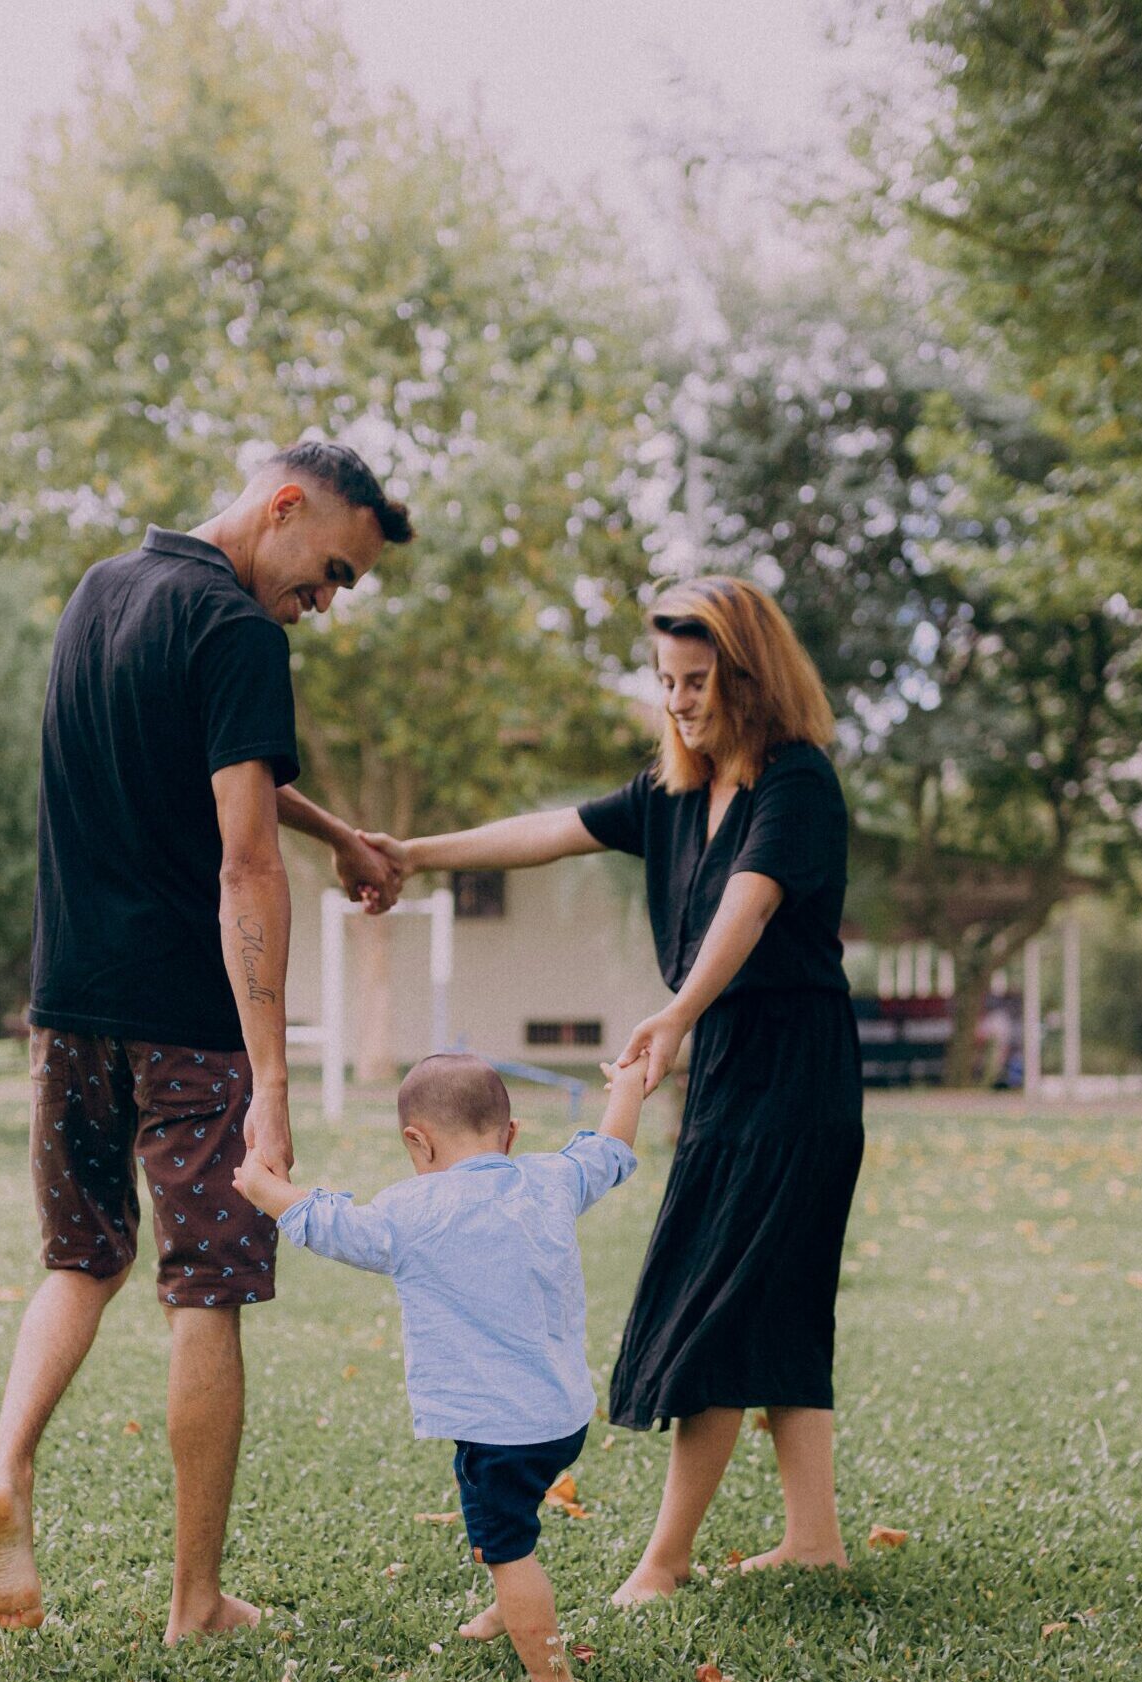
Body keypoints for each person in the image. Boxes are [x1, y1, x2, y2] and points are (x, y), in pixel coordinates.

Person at [0, 442, 413, 1642]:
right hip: (184, 1021)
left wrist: (339, 834)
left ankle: (5, 1465)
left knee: (82, 1260)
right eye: (326, 573)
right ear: (281, 507)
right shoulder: (236, 631)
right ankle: (194, 1602)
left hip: (66, 1003)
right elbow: (241, 857)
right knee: (203, 1291)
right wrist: (270, 1077)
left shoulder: (100, 592)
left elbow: (220, 776)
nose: (318, 605)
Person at [366, 576, 863, 1603]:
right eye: (665, 681)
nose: (678, 701)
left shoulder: (794, 783)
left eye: (697, 680)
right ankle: (812, 1539)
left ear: (748, 675)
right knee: (773, 1300)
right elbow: (545, 832)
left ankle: (664, 1560)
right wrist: (415, 854)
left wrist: (675, 1011)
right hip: (728, 1068)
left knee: (713, 1308)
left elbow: (751, 903)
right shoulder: (673, 795)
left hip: (792, 1070)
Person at [234, 1052, 647, 1682]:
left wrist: (263, 1189)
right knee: (501, 1511)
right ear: (510, 1135)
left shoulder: (412, 1211)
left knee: (509, 1545)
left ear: (416, 1142)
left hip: (498, 1428)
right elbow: (610, 1147)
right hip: (561, 1414)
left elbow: (333, 1226)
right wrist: (627, 1086)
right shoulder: (551, 1179)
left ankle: (550, 1675)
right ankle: (505, 1611)